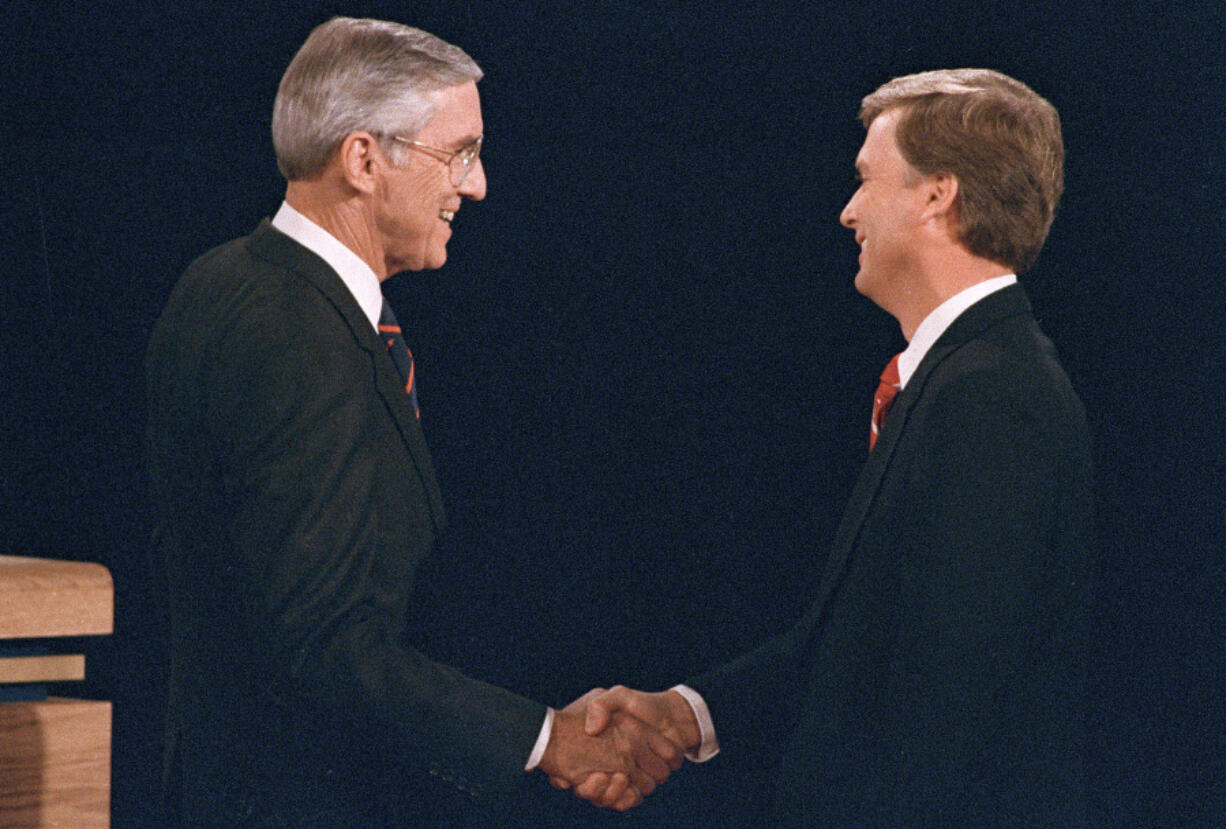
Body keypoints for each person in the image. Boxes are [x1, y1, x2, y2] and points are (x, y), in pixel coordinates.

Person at [145, 17, 680, 826]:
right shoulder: (294, 332)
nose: (477, 184)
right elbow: (323, 643)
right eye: (457, 152)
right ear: (363, 159)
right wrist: (547, 738)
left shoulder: (227, 282)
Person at [583, 69, 1094, 826]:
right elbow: (858, 653)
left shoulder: (993, 397)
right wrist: (684, 714)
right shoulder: (960, 379)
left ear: (935, 194)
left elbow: (943, 716)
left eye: (865, 180)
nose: (848, 211)